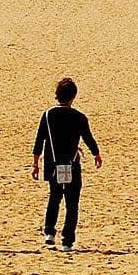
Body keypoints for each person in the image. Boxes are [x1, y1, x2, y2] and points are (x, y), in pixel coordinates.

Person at [33, 77, 102, 253]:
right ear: (73, 97)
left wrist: (35, 163)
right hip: (72, 164)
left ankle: (49, 232)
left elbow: (39, 140)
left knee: (54, 197)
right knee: (72, 203)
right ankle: (67, 241)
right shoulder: (79, 117)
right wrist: (96, 154)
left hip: (52, 163)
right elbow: (88, 138)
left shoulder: (48, 115)